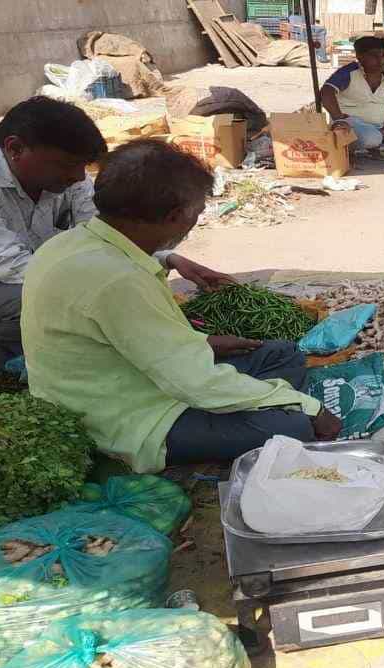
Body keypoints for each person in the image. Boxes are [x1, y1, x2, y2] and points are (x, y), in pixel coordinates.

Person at [21, 140, 341, 472]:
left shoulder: (71, 242)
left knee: (282, 354)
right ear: (176, 216)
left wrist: (198, 344)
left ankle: (263, 407)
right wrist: (309, 406)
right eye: (197, 213)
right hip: (124, 418)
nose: (193, 223)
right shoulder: (119, 280)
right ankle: (270, 412)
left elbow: (131, 338)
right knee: (294, 428)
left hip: (129, 377)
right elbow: (194, 382)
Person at [0, 96, 223, 370]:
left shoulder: (62, 177)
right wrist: (120, 296)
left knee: (98, 298)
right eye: (67, 165)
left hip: (11, 281)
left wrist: (167, 258)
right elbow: (5, 265)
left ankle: (0, 337)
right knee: (64, 306)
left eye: (82, 167)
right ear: (15, 148)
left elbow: (106, 234)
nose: (77, 177)